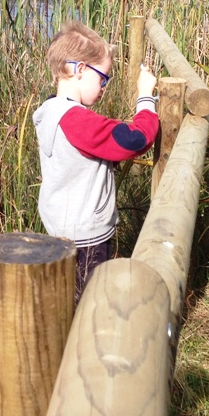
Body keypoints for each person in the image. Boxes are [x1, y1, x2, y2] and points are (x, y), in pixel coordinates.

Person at [33, 21, 159, 304]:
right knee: (89, 306)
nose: (104, 86)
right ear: (79, 70)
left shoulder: (50, 110)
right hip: (86, 237)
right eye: (103, 78)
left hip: (62, 230)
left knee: (69, 300)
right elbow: (134, 140)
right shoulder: (78, 121)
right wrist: (146, 99)